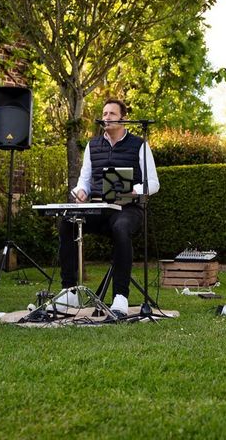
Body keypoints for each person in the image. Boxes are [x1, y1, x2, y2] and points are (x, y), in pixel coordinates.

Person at [57, 98, 160, 316]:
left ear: (124, 119)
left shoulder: (140, 145)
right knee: (67, 222)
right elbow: (84, 180)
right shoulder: (92, 146)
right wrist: (81, 191)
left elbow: (154, 183)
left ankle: (120, 296)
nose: (106, 117)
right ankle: (70, 291)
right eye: (104, 114)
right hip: (99, 207)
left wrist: (134, 190)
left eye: (111, 114)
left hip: (128, 209)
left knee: (121, 227)